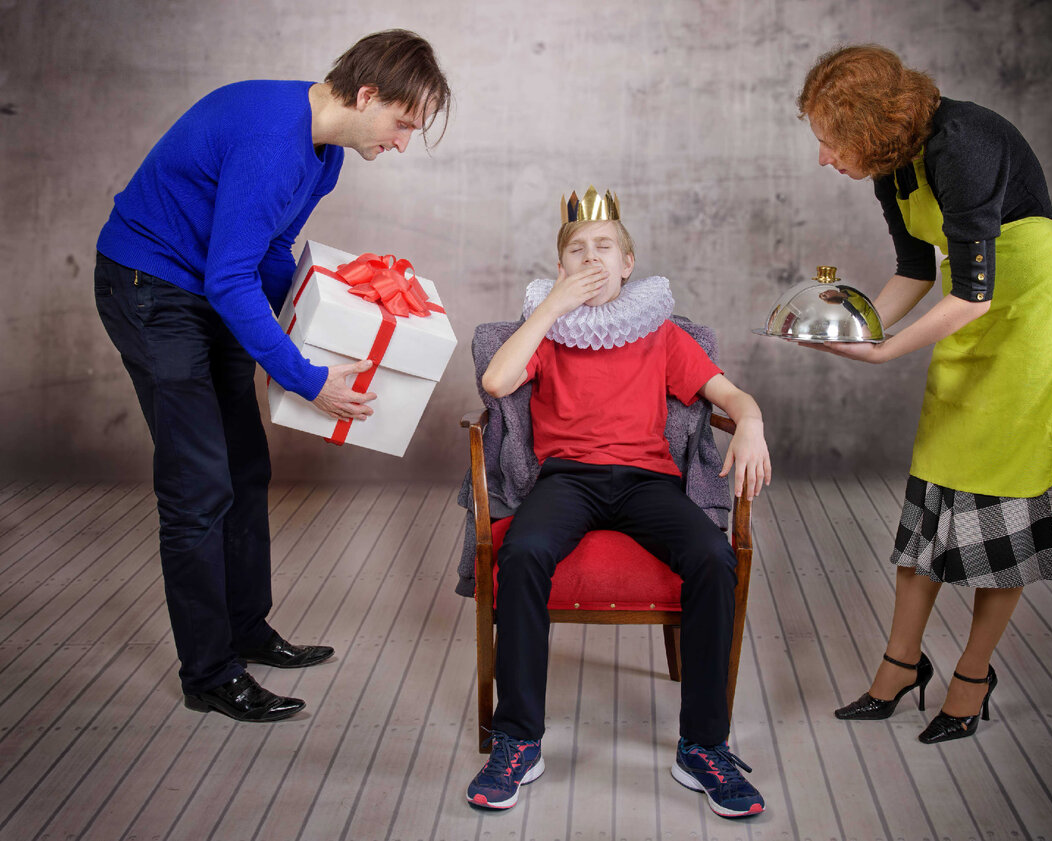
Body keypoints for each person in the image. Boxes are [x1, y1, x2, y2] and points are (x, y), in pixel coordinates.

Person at [93, 30, 451, 722]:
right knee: (199, 487)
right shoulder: (271, 143)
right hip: (151, 288)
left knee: (245, 467)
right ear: (367, 95)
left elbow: (271, 251)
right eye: (404, 123)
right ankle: (209, 673)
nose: (404, 143)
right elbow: (231, 279)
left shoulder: (325, 155)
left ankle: (246, 629)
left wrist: (319, 323)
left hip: (210, 286)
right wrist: (307, 376)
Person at [794, 45, 1052, 743]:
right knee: (932, 495)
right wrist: (853, 328)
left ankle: (972, 676)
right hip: (970, 315)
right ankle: (900, 666)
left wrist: (881, 352)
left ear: (872, 127)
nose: (823, 157)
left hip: (1027, 320)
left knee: (1007, 501)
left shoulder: (962, 143)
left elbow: (971, 294)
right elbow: (916, 270)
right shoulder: (891, 165)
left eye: (831, 140)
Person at [464, 188, 771, 817]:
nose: (592, 258)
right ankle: (519, 741)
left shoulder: (660, 333)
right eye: (577, 250)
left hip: (646, 482)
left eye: (604, 247)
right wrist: (553, 304)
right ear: (561, 267)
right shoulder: (548, 331)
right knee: (522, 552)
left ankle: (703, 746)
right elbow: (496, 382)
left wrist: (752, 422)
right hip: (567, 480)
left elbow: (731, 395)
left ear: (628, 263)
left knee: (713, 558)